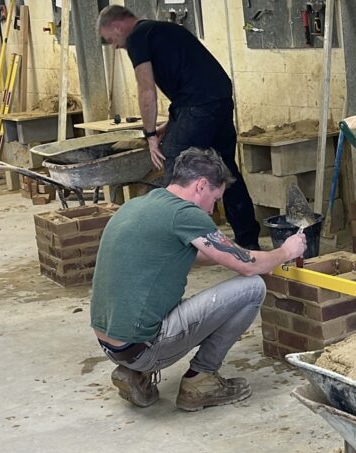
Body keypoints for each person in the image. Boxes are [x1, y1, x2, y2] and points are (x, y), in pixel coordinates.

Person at [90, 147, 306, 411]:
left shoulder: (141, 204)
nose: (212, 209)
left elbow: (201, 254)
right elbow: (248, 267)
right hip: (143, 348)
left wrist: (254, 258)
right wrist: (285, 252)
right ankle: (201, 380)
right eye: (215, 199)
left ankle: (135, 374)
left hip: (112, 345)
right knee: (252, 287)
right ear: (201, 185)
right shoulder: (185, 213)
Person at [97, 6, 261, 249]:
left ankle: (174, 247)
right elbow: (193, 82)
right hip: (219, 100)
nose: (115, 46)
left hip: (198, 106)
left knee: (176, 169)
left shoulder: (137, 38)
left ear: (117, 26)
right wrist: (171, 122)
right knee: (225, 169)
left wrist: (150, 135)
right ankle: (248, 243)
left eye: (111, 39)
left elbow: (146, 90)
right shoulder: (163, 29)